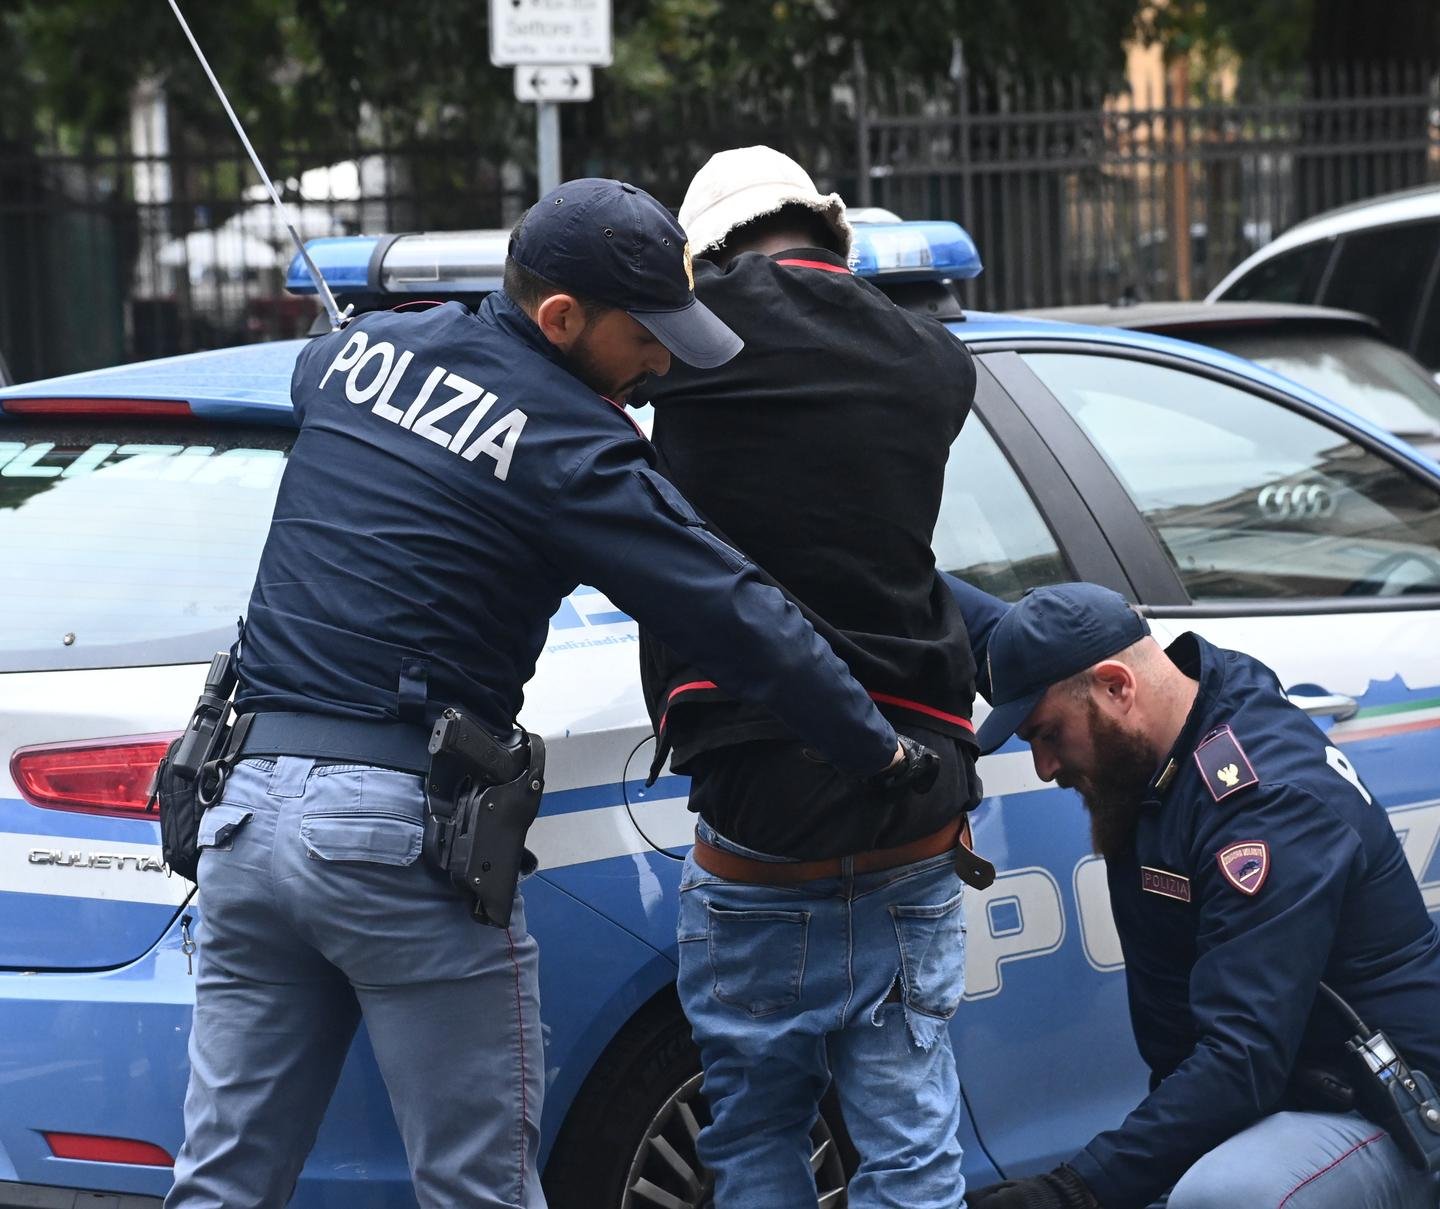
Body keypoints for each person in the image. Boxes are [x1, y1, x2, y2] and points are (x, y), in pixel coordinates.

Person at [164, 178, 929, 1209]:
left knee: (222, 1184)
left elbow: (315, 379)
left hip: (243, 823)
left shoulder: (355, 354)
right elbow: (733, 609)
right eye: (647, 338)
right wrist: (872, 745)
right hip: (395, 839)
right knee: (478, 1187)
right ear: (561, 318)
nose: (660, 366)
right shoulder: (573, 444)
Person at [636, 146, 983, 1208]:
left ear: (707, 258)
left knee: (753, 1141)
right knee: (913, 1148)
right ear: (828, 234)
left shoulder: (689, 345)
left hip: (758, 824)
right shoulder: (934, 361)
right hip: (915, 806)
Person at [946, 577, 1440, 1209]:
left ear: (1117, 687)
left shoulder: (1263, 811)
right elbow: (994, 625)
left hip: (1383, 1108)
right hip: (1294, 1082)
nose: (1044, 766)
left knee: (1223, 1195)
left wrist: (1071, 1192)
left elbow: (1242, 1062)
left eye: (1047, 734)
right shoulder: (1177, 703)